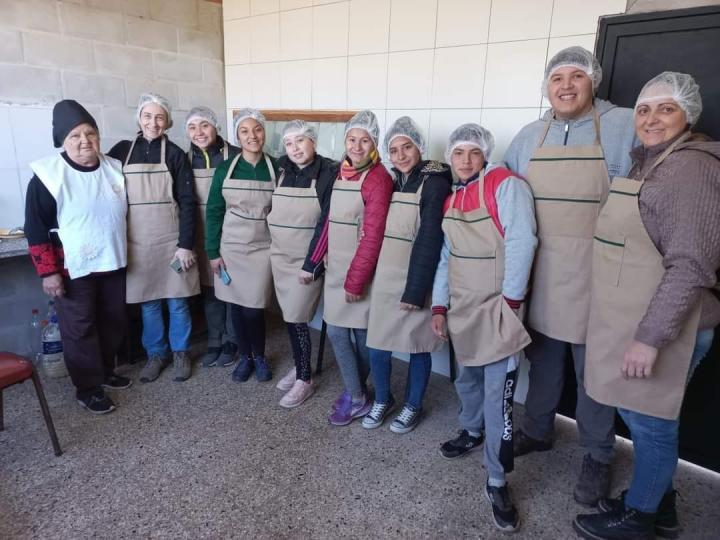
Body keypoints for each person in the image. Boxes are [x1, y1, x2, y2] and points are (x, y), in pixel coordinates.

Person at [574, 73, 720, 540]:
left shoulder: (691, 169)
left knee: (650, 423)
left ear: (688, 115)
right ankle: (661, 505)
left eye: (666, 109)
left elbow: (691, 266)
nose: (651, 119)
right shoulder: (651, 163)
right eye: (643, 109)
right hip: (638, 317)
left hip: (666, 327)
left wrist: (648, 339)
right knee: (648, 418)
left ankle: (638, 518)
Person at [503, 46, 637, 505]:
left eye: (575, 76)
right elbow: (507, 198)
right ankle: (538, 431)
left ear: (592, 81)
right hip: (542, 273)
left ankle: (599, 454)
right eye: (557, 78)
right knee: (542, 361)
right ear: (547, 86)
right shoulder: (528, 135)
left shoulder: (621, 126)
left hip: (597, 276)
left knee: (592, 374)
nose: (565, 86)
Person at [432, 123, 537, 532]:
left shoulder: (505, 185)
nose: (465, 160)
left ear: (486, 154)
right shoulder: (452, 196)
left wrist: (511, 303)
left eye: (473, 153)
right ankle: (471, 430)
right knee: (466, 379)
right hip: (463, 307)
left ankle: (496, 480)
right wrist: (440, 304)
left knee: (500, 398)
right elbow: (446, 256)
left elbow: (522, 241)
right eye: (458, 153)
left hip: (498, 308)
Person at [25, 100, 129, 414]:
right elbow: (35, 228)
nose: (85, 141)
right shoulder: (47, 176)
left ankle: (105, 370)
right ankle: (87, 388)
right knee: (79, 328)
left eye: (90, 133)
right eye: (75, 136)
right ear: (62, 140)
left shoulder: (113, 166)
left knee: (113, 321)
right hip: (72, 269)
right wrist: (48, 273)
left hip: (113, 262)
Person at [363, 116, 451, 433]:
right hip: (387, 277)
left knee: (417, 346)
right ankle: (383, 400)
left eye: (407, 147)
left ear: (420, 146)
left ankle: (413, 404)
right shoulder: (395, 180)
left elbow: (430, 237)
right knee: (378, 344)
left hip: (417, 279)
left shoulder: (435, 181)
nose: (400, 155)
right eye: (394, 149)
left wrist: (415, 291)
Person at [307, 110, 393, 425]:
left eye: (365, 140)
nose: (357, 146)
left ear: (374, 143)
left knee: (360, 335)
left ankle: (356, 397)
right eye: (352, 139)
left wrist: (356, 282)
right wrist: (319, 257)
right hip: (337, 270)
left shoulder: (379, 178)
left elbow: (373, 236)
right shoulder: (341, 172)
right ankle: (357, 391)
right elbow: (330, 220)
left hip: (361, 273)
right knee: (340, 332)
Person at [108, 93, 199, 384]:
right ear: (139, 118)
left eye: (159, 117)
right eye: (147, 116)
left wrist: (185, 245)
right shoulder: (121, 151)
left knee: (177, 301)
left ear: (167, 121)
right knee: (148, 303)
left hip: (171, 242)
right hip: (137, 242)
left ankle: (181, 352)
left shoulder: (174, 154)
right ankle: (156, 355)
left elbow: (187, 201)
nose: (153, 122)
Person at [205, 108, 280, 383]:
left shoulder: (275, 167)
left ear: (264, 132)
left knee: (254, 307)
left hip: (263, 248)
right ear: (237, 135)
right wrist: (212, 251)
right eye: (245, 131)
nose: (252, 136)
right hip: (232, 247)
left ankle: (259, 356)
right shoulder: (226, 168)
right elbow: (213, 211)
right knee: (236, 306)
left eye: (257, 129)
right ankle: (245, 357)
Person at [269, 120, 338, 408]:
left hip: (306, 260)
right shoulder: (281, 168)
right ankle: (299, 365)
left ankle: (305, 379)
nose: (295, 148)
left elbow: (327, 222)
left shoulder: (328, 172)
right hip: (280, 256)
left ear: (313, 142)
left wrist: (311, 264)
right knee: (289, 315)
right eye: (289, 143)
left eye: (301, 141)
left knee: (297, 317)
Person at [185, 107, 241, 369]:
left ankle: (232, 340)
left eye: (204, 125)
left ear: (216, 126)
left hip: (231, 230)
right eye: (192, 127)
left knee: (229, 287)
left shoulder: (236, 156)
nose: (199, 132)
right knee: (209, 290)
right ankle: (214, 339)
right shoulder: (184, 159)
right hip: (201, 231)